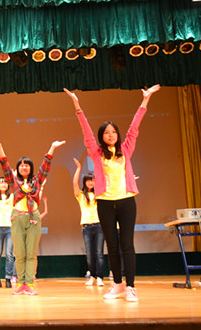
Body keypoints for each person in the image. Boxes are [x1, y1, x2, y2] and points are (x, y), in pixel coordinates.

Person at [64, 85, 160, 302]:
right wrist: (77, 104)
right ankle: (117, 285)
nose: (110, 135)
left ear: (118, 134)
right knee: (112, 246)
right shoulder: (96, 153)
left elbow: (135, 126)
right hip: (105, 204)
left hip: (126, 202)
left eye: (113, 132)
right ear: (101, 136)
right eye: (106, 133)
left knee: (127, 245)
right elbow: (86, 131)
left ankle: (131, 287)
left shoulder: (126, 149)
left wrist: (145, 100)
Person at [0, 138, 65, 295]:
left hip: (33, 218)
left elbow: (45, 165)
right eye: (21, 165)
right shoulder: (14, 182)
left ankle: (29, 284)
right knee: (19, 254)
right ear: (18, 168)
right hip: (17, 217)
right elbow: (5, 165)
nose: (24, 167)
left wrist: (52, 147)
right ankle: (20, 284)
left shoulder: (37, 181)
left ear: (30, 168)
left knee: (31, 254)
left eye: (27, 165)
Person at [72, 162, 105, 287]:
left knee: (99, 253)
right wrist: (79, 168)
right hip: (86, 227)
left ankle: (100, 277)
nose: (91, 183)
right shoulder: (81, 195)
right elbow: (75, 183)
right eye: (89, 180)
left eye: (93, 180)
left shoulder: (100, 195)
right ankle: (92, 276)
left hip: (99, 226)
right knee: (90, 254)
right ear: (85, 182)